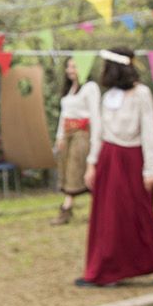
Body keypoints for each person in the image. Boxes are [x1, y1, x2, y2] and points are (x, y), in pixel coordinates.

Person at [78, 47, 153, 287]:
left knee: (137, 215)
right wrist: (91, 164)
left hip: (132, 160)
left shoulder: (141, 94)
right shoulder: (108, 98)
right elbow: (99, 133)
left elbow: (148, 133)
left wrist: (150, 169)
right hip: (108, 158)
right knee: (108, 217)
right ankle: (105, 269)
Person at [52, 57, 98, 225]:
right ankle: (69, 209)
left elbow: (95, 115)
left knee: (78, 170)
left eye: (74, 66)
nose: (70, 70)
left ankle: (72, 209)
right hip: (68, 133)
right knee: (67, 171)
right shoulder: (69, 90)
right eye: (68, 66)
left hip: (83, 134)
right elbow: (64, 115)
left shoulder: (90, 88)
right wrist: (60, 136)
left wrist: (95, 140)